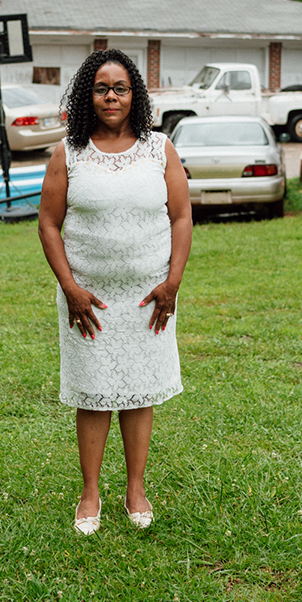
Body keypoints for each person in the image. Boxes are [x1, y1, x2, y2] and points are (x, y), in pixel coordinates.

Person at [38, 48, 192, 535]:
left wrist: (172, 284)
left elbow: (182, 216)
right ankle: (89, 493)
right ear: (89, 94)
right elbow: (47, 223)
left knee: (138, 391)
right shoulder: (68, 152)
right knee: (95, 394)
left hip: (151, 299)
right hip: (90, 302)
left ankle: (136, 489)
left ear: (134, 95)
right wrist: (71, 288)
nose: (111, 96)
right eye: (102, 88)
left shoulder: (158, 148)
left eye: (120, 88)